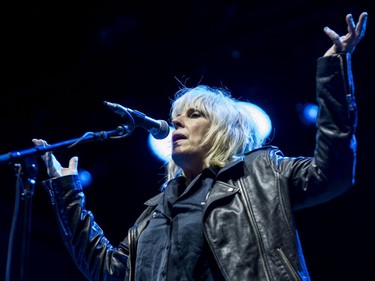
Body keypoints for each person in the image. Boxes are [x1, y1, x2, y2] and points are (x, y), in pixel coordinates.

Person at [32, 12, 367, 281]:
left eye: (193, 115)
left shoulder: (262, 173)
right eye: (175, 116)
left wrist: (333, 72)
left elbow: (332, 171)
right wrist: (66, 192)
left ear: (225, 129)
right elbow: (107, 271)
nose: (177, 122)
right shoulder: (158, 210)